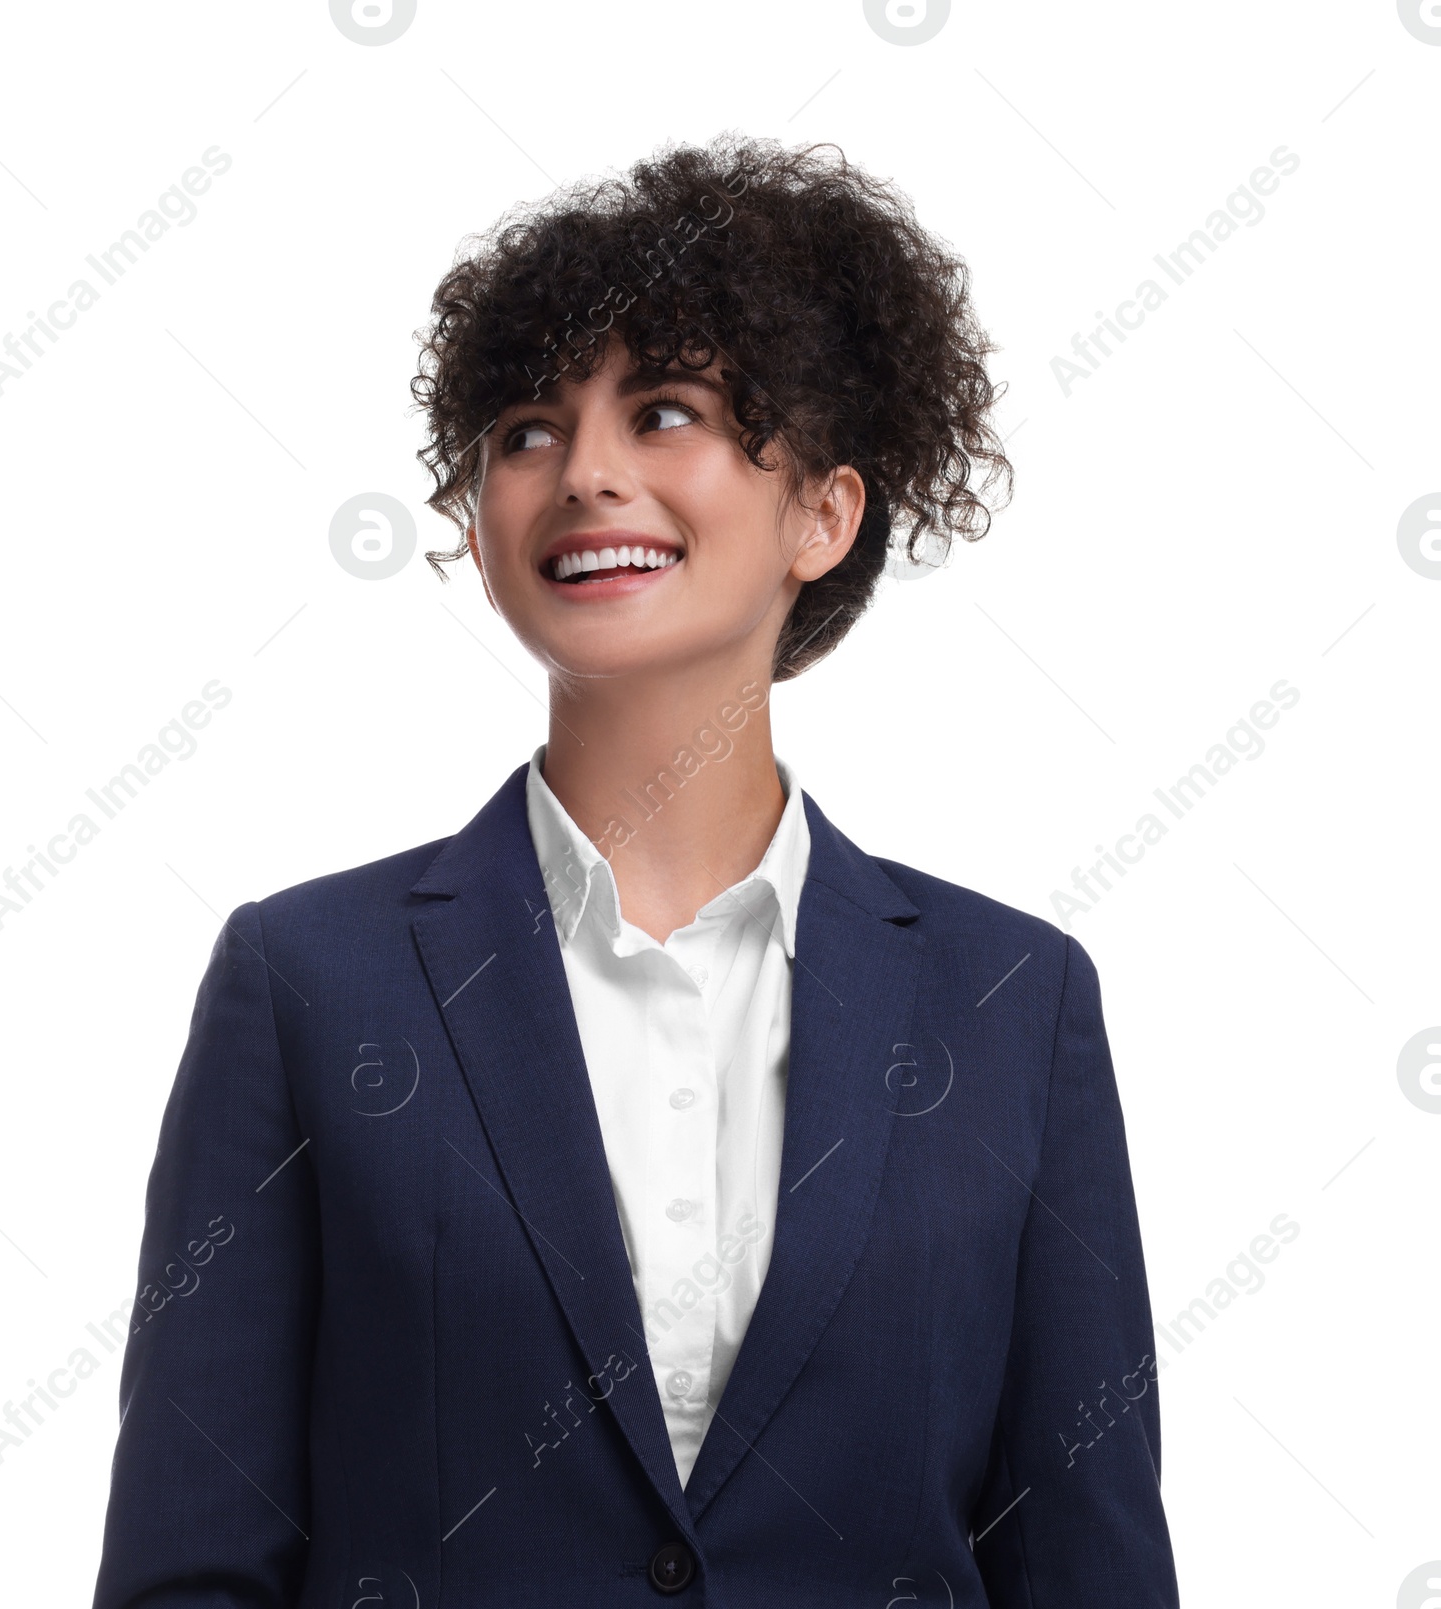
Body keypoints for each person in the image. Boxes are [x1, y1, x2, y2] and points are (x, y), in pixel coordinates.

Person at [92, 135, 1179, 1606]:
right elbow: (191, 1562)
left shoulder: (1011, 1006)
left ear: (825, 512)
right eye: (527, 431)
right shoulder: (308, 983)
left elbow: (1087, 1562)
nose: (585, 471)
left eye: (663, 413)